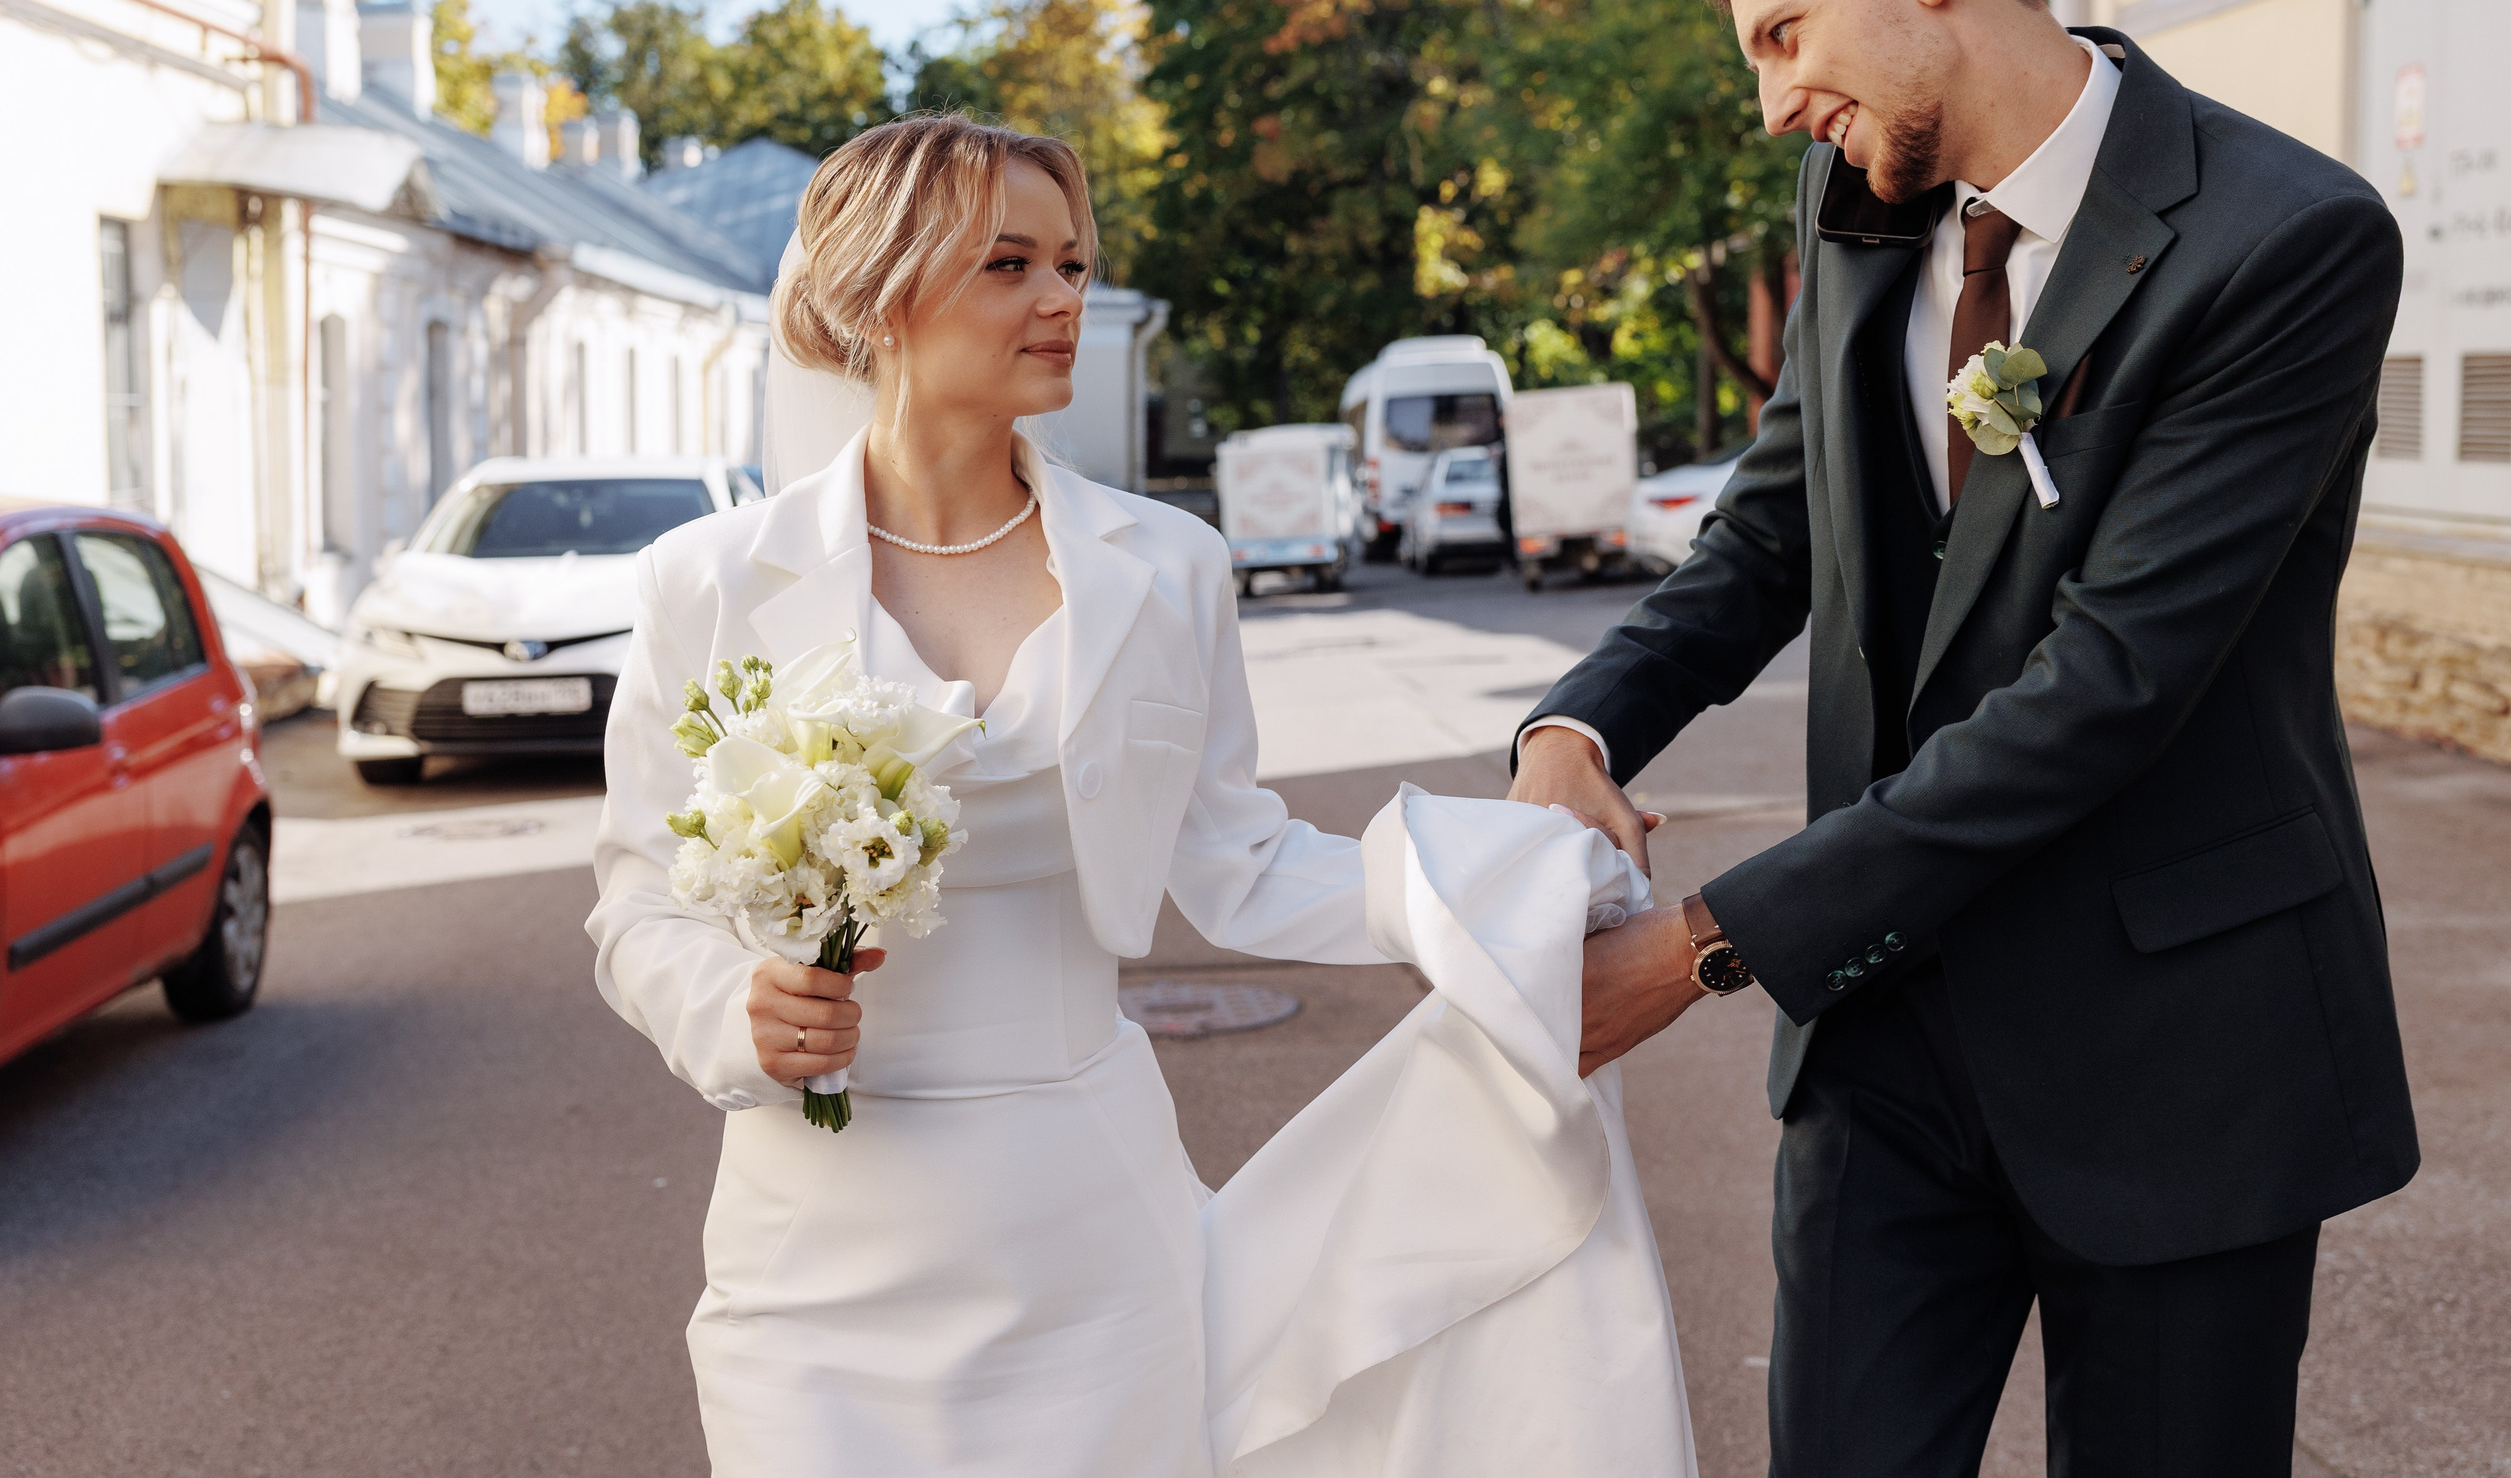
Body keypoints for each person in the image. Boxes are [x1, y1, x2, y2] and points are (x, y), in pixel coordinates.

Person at [1511, 0, 2419, 1478]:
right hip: (1884, 1042)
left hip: (2179, 1046)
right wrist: (1578, 727)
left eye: (1783, 35)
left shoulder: (2289, 239)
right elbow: (1770, 532)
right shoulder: (1854, 196)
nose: (1775, 101)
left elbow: (2109, 684)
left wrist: (1704, 942)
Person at [586, 115, 1692, 1476]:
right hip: (810, 1248)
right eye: (1010, 265)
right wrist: (731, 1011)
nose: (1063, 299)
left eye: (1073, 263)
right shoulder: (707, 580)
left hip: (1088, 1236)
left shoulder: (1168, 566)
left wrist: (1508, 878)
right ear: (880, 294)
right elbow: (638, 900)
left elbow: (1240, 860)